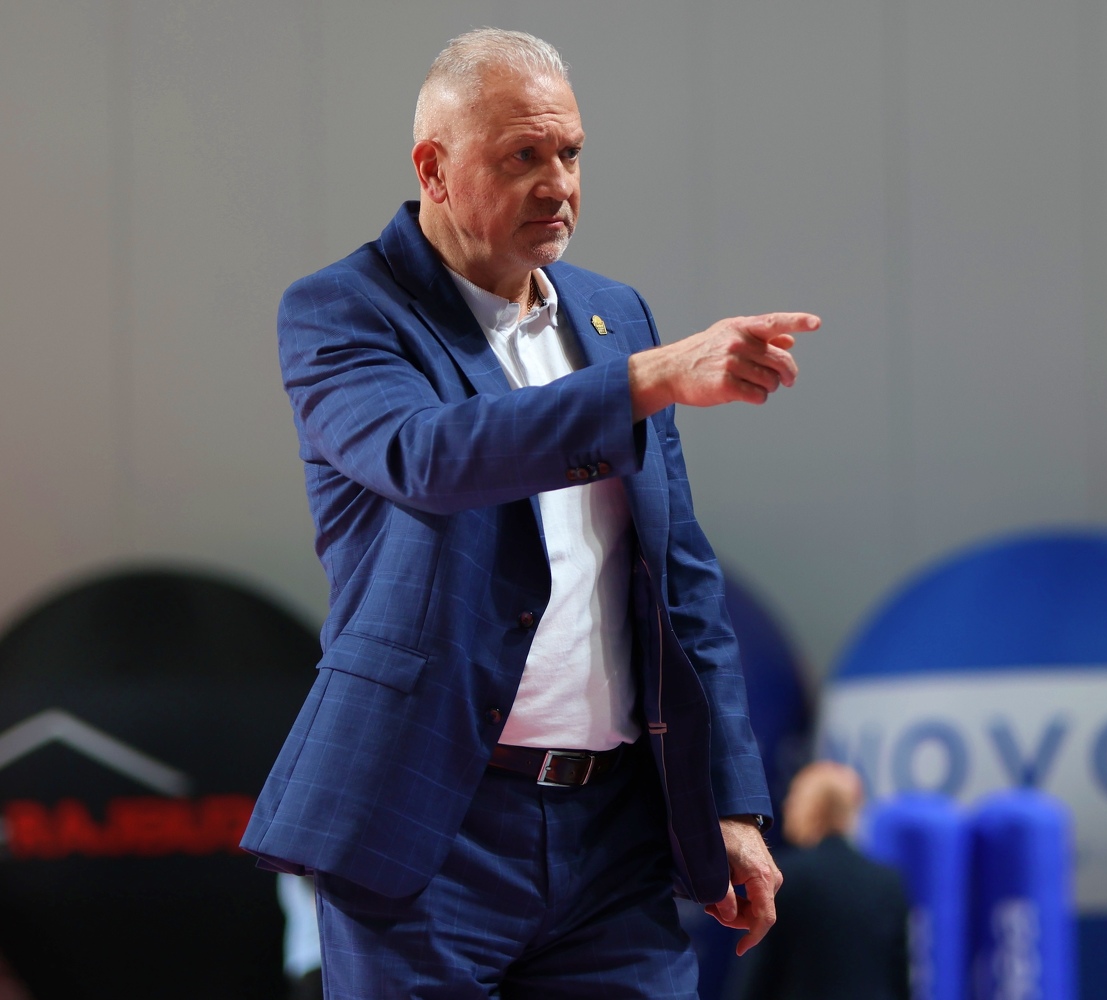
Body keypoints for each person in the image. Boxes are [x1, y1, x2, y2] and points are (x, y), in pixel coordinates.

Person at [240, 28, 819, 999]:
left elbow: (680, 578)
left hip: (613, 835)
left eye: (571, 153)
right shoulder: (344, 310)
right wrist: (648, 379)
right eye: (522, 156)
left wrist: (730, 802)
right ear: (433, 168)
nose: (559, 184)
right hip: (428, 823)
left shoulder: (613, 316)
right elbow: (428, 455)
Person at [723, 762, 910, 1000]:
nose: (785, 805)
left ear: (810, 807)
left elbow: (759, 978)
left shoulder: (784, 878)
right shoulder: (888, 882)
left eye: (793, 798)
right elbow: (899, 979)